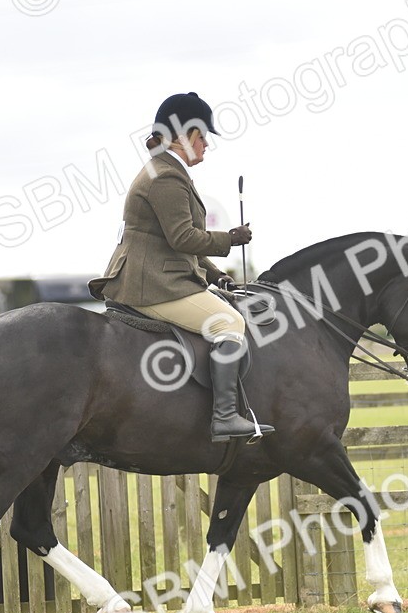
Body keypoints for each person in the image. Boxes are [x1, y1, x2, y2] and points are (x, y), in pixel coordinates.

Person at [89, 92, 274, 443]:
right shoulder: (166, 177)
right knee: (229, 321)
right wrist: (229, 239)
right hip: (151, 284)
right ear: (183, 135)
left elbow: (169, 242)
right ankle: (224, 418)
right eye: (202, 136)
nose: (205, 145)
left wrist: (216, 274)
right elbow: (183, 238)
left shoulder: (166, 169)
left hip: (156, 273)